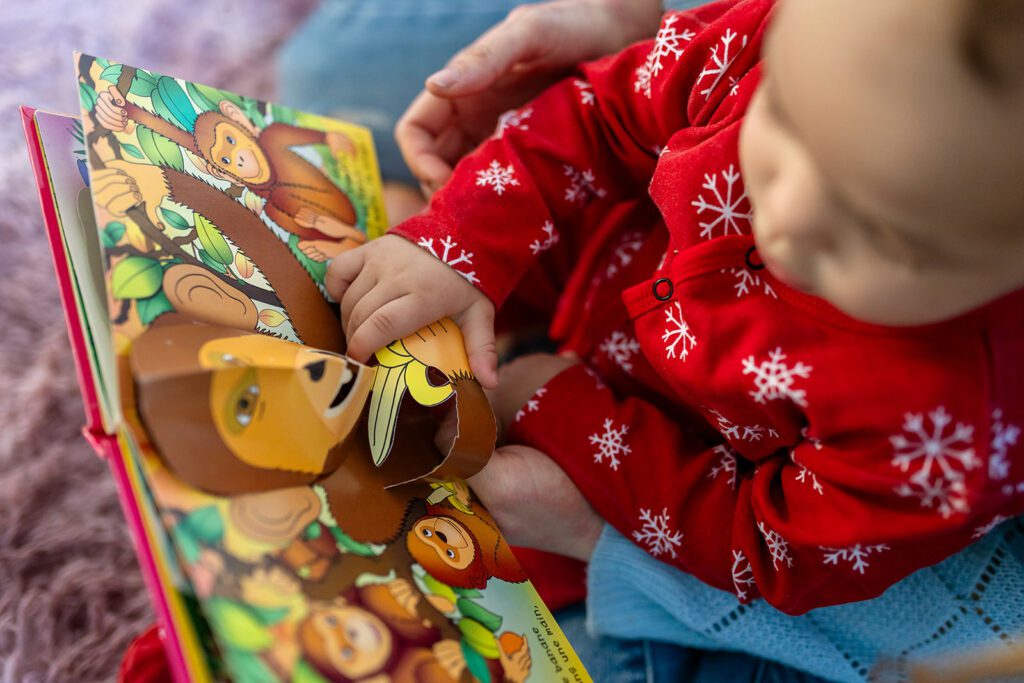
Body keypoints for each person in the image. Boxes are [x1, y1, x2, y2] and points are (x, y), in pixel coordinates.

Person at [328, 0, 1024, 679]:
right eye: (781, 117)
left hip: (656, 461)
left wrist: (570, 421)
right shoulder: (796, 35)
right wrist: (461, 240)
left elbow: (766, 543)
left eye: (881, 233)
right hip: (604, 252)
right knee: (329, 80)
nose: (782, 214)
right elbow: (603, 111)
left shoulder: (946, 438)